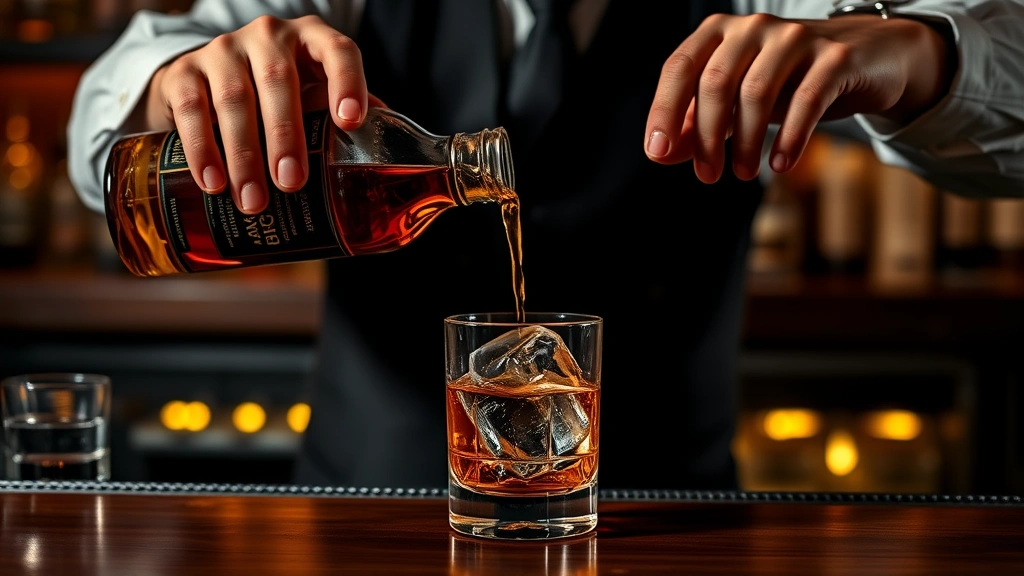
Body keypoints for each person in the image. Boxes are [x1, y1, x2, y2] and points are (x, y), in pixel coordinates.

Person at [67, 0, 1024, 490]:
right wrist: (175, 87)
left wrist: (918, 50)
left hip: (668, 530)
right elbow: (110, 112)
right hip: (364, 518)